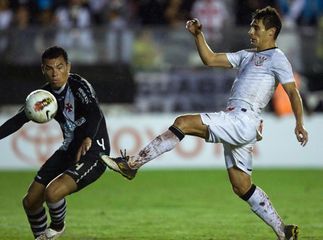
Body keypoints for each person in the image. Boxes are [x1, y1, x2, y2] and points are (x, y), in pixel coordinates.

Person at [101, 6, 308, 240]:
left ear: (271, 31)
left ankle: (133, 164)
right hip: (238, 121)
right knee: (241, 186)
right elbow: (210, 59)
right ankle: (283, 231)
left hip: (242, 119)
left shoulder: (277, 58)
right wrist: (199, 35)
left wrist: (299, 123)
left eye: (256, 27)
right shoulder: (247, 55)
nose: (251, 31)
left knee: (183, 123)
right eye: (251, 26)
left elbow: (292, 92)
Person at [0, 46, 110, 239]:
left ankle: (57, 227)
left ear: (68, 66)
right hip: (69, 149)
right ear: (43, 69)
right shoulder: (43, 97)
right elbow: (18, 120)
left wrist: (88, 137)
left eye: (59, 67)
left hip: (93, 150)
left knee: (53, 193)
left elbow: (95, 112)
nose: (55, 73)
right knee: (31, 201)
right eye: (49, 68)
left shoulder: (79, 85)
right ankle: (40, 237)